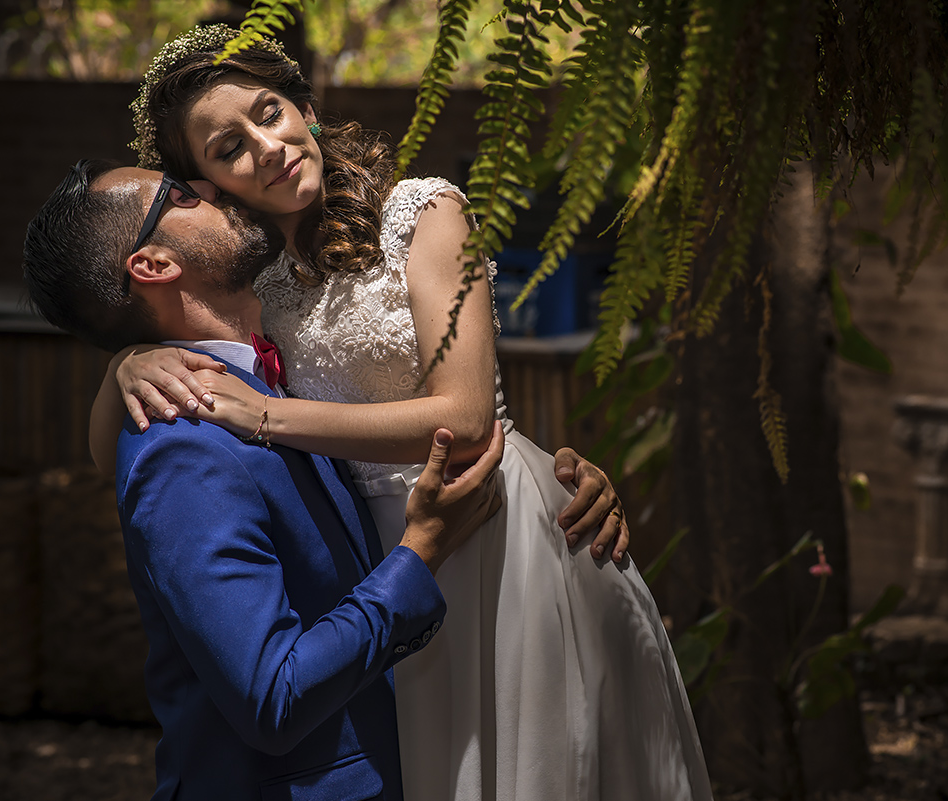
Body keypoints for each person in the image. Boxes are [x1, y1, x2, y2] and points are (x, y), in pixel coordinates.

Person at [95, 25, 713, 801]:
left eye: (271, 111)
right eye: (228, 147)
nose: (268, 144)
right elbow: (107, 451)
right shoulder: (259, 284)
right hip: (384, 557)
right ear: (211, 186)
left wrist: (261, 416)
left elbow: (464, 414)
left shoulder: (424, 214)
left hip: (492, 532)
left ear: (307, 110)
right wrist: (124, 366)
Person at [21, 159, 507, 801]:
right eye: (181, 192)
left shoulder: (268, 390)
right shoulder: (183, 451)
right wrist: (421, 553)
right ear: (155, 264)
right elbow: (274, 695)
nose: (210, 187)